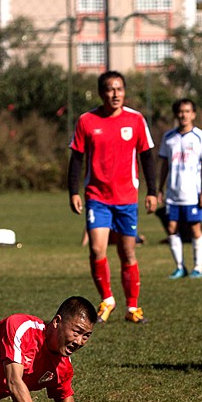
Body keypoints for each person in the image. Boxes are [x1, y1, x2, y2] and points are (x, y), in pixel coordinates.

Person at [68, 71, 157, 324]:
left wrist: (152, 191)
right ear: (101, 93)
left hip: (127, 198)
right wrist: (73, 191)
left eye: (119, 89)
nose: (114, 94)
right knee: (97, 249)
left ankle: (133, 308)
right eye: (109, 89)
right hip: (97, 197)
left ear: (124, 91)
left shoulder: (136, 120)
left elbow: (147, 157)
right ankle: (107, 299)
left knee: (127, 253)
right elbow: (76, 158)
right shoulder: (87, 120)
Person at [158, 98, 202, 279]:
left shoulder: (201, 137)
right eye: (181, 111)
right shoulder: (168, 138)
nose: (184, 115)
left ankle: (198, 267)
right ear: (176, 114)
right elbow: (164, 165)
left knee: (194, 228)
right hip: (173, 193)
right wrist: (160, 188)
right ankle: (180, 267)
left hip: (192, 193)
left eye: (187, 111)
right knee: (172, 227)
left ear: (193, 114)